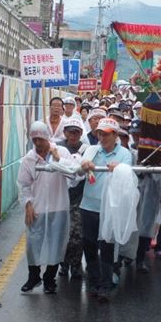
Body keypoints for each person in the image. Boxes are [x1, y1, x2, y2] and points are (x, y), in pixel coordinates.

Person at [80, 118, 133, 301]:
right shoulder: (92, 150)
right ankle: (94, 282)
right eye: (100, 133)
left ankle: (105, 285)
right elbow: (78, 170)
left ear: (115, 135)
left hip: (109, 208)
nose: (102, 137)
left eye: (107, 134)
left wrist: (120, 169)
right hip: (88, 205)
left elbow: (128, 173)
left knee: (107, 246)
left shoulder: (124, 154)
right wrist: (83, 165)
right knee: (89, 245)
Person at [17, 121, 73, 294]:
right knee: (34, 242)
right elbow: (23, 184)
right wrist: (27, 204)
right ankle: (34, 276)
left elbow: (73, 174)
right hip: (37, 207)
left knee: (56, 243)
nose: (39, 144)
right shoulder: (29, 159)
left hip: (59, 206)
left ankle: (50, 279)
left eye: (41, 139)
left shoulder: (62, 152)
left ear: (48, 137)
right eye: (35, 140)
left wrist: (57, 158)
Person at [57, 118, 88, 279]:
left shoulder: (87, 149)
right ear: (65, 133)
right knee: (62, 234)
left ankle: (76, 265)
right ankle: (63, 264)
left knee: (77, 234)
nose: (73, 135)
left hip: (80, 199)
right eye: (70, 131)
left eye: (76, 132)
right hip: (60, 198)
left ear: (81, 133)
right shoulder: (57, 148)